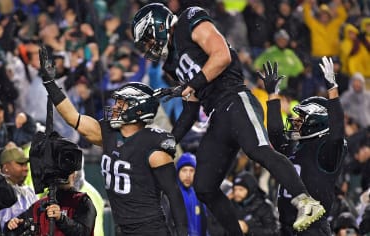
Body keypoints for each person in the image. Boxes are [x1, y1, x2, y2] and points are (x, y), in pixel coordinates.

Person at [132, 3, 324, 234]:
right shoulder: (172, 63)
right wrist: (172, 139)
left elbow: (221, 56)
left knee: (259, 150)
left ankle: (305, 201)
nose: (149, 46)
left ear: (159, 26)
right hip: (216, 115)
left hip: (235, 98)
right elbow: (191, 108)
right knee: (204, 186)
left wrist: (189, 85)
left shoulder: (188, 21)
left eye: (149, 38)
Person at [38, 46, 188, 235]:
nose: (115, 107)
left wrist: (183, 232)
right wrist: (50, 83)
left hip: (150, 229)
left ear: (139, 110)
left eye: (121, 103)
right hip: (122, 228)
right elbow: (73, 117)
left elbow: (174, 194)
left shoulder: (153, 146)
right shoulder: (107, 133)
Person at [261, 57, 347, 235]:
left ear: (318, 120)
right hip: (286, 227)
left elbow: (337, 131)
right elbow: (276, 135)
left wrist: (333, 90)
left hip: (312, 229)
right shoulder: (295, 146)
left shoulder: (326, 150)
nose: (295, 122)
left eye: (301, 118)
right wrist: (272, 96)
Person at [5, 172, 97, 235]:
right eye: (60, 172)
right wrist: (14, 225)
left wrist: (61, 219)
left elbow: (84, 233)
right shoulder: (39, 205)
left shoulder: (82, 201)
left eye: (67, 172)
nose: (63, 175)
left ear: (74, 175)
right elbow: (14, 228)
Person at [0, 144, 38, 229]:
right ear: (6, 167)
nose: (26, 168)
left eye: (26, 164)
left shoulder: (29, 190)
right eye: (21, 164)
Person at [231, 171, 280, 236]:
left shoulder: (265, 207)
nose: (236, 193)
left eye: (241, 189)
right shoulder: (232, 205)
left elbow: (274, 232)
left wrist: (248, 230)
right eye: (235, 189)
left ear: (250, 189)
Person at [176, 152, 208, 236]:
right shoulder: (171, 195)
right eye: (184, 170)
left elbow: (204, 224)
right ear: (178, 172)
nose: (188, 175)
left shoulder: (199, 195)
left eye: (192, 170)